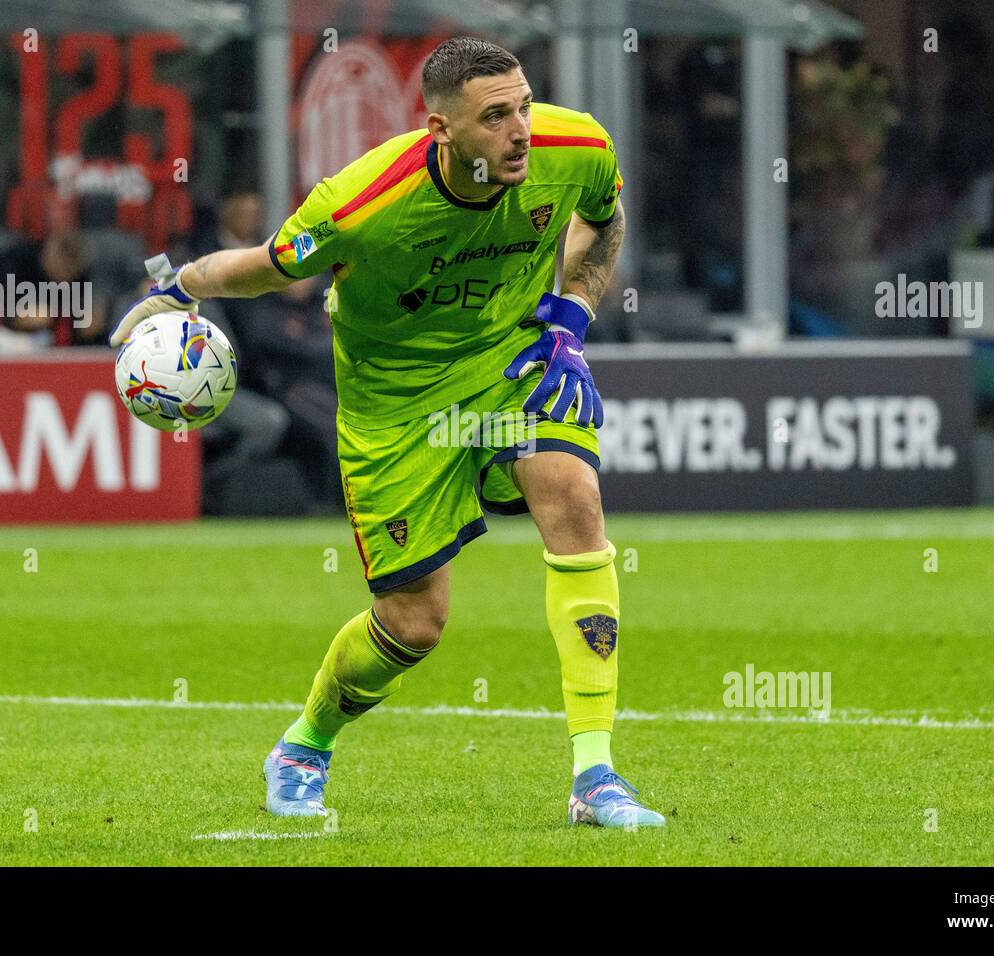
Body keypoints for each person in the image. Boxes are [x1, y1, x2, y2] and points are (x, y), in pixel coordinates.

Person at [110, 37, 661, 829]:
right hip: (393, 407)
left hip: (509, 365)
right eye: (496, 116)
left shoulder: (576, 147)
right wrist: (176, 287)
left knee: (574, 500)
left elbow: (602, 220)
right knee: (415, 621)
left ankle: (595, 774)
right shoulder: (361, 201)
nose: (522, 131)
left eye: (525, 106)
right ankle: (305, 744)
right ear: (440, 127)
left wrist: (572, 317)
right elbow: (269, 265)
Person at [0, 228, 105, 348]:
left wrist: (86, 324)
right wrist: (19, 316)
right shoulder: (16, 262)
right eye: (62, 267)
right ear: (49, 253)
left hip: (48, 341)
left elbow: (80, 324)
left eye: (70, 271)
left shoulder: (78, 279)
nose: (65, 275)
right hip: (5, 335)